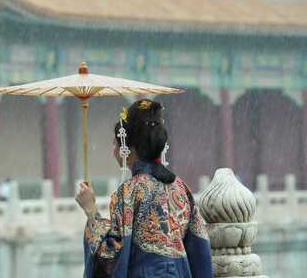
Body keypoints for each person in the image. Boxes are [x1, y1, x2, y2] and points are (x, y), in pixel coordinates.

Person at [75, 99, 212, 278]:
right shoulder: (181, 188)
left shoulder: (128, 192)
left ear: (127, 147)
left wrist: (91, 212)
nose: (113, 149)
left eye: (115, 143)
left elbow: (109, 258)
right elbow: (200, 251)